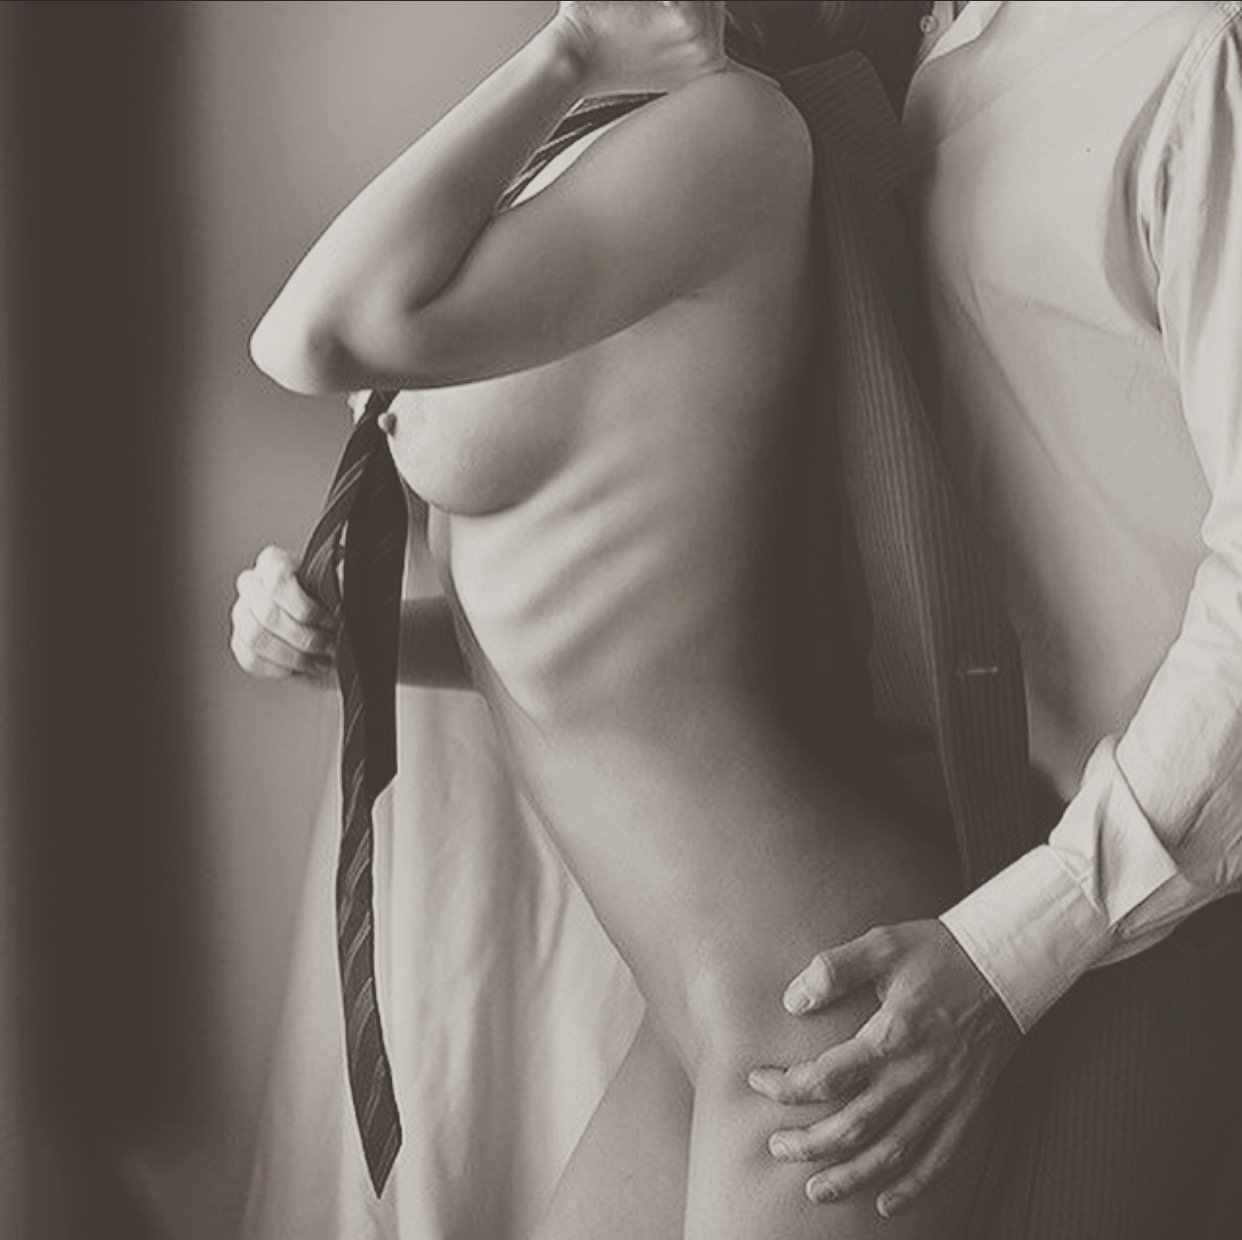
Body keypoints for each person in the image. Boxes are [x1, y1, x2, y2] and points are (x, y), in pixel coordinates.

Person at [234, 2, 995, 1237]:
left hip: (813, 982)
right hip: (696, 1008)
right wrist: (351, 644)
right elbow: (589, 622)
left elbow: (314, 334)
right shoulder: (583, 144)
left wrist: (571, 50)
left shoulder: (734, 136)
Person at [748, 2, 1242, 1236]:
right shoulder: (858, 46)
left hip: (1141, 922)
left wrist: (1014, 948)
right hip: (902, 871)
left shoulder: (1191, 59)